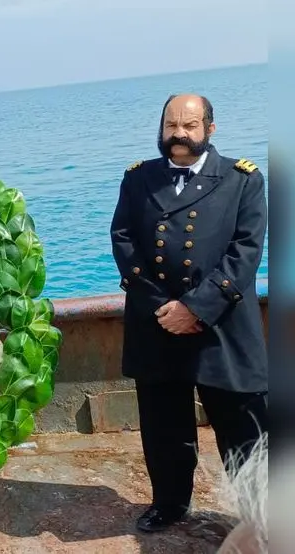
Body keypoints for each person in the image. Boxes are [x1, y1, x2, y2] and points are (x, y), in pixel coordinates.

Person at [109, 94, 268, 533]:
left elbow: (246, 251)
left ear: (209, 129)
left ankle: (260, 514)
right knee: (163, 425)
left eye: (190, 125)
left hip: (221, 323)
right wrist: (162, 306)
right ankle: (170, 504)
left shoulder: (242, 181)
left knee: (244, 428)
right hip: (157, 321)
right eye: (171, 124)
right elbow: (124, 239)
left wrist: (196, 308)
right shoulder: (139, 178)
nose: (179, 133)